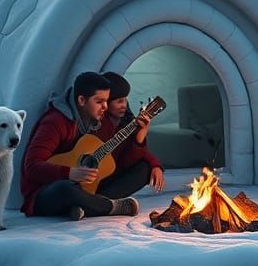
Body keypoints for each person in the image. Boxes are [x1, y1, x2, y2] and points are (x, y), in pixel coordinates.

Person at [19, 71, 149, 221]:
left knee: (143, 169)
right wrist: (69, 173)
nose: (105, 107)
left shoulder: (95, 120)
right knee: (66, 189)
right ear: (81, 100)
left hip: (85, 187)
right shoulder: (55, 122)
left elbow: (117, 160)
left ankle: (85, 207)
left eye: (107, 101)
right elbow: (32, 167)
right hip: (45, 191)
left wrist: (139, 136)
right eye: (99, 102)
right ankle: (110, 207)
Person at [100, 72, 165, 194]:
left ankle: (100, 201)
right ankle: (96, 202)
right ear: (106, 103)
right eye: (119, 101)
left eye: (125, 100)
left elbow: (128, 160)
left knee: (145, 168)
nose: (124, 105)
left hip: (110, 175)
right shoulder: (94, 120)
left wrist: (155, 164)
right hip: (87, 177)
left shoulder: (127, 121)